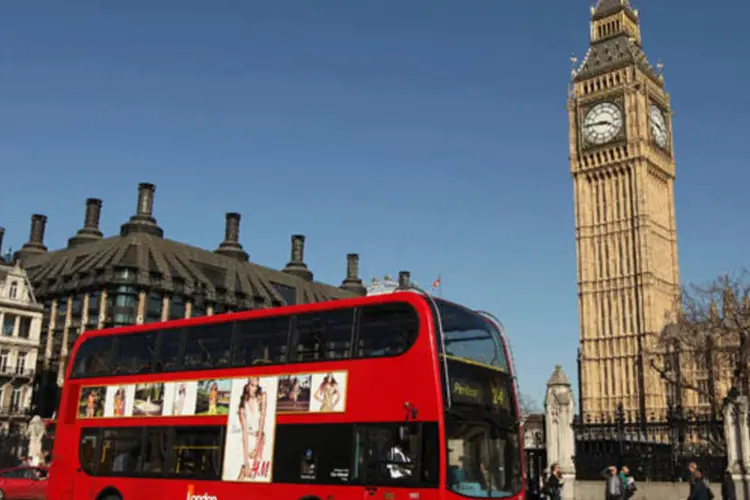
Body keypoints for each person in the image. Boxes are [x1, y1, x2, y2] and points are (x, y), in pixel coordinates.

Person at [238, 377, 267, 471]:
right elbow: (244, 433)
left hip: (258, 440)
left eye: (256, 386)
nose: (253, 388)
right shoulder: (242, 406)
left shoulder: (262, 397)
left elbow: (262, 422)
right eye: (252, 385)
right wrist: (246, 462)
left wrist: (256, 447)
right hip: (247, 442)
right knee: (244, 471)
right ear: (247, 386)